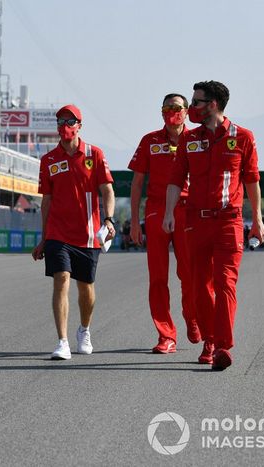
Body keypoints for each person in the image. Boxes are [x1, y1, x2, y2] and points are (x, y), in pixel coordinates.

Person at [163, 80, 264, 371]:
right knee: (198, 288)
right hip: (195, 222)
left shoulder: (242, 137)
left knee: (224, 283)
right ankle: (209, 338)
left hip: (228, 222)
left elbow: (252, 180)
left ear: (213, 104)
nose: (190, 108)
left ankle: (222, 346)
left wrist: (257, 219)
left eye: (196, 103)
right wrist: (168, 212)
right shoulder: (188, 139)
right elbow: (175, 179)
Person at [32, 105, 115, 360]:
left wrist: (109, 219)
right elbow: (46, 201)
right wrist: (44, 238)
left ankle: (84, 330)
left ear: (80, 124)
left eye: (70, 121)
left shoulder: (94, 154)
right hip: (58, 233)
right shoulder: (49, 160)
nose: (64, 126)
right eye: (60, 121)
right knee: (61, 279)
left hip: (88, 234)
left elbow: (107, 191)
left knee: (86, 288)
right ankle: (62, 341)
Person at [128, 94, 199, 354]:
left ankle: (193, 318)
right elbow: (136, 183)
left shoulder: (196, 140)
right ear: (161, 112)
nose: (172, 112)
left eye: (177, 108)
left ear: (187, 111)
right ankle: (166, 334)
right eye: (167, 108)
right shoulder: (150, 141)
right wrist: (135, 221)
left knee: (189, 274)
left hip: (187, 210)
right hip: (157, 210)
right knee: (158, 277)